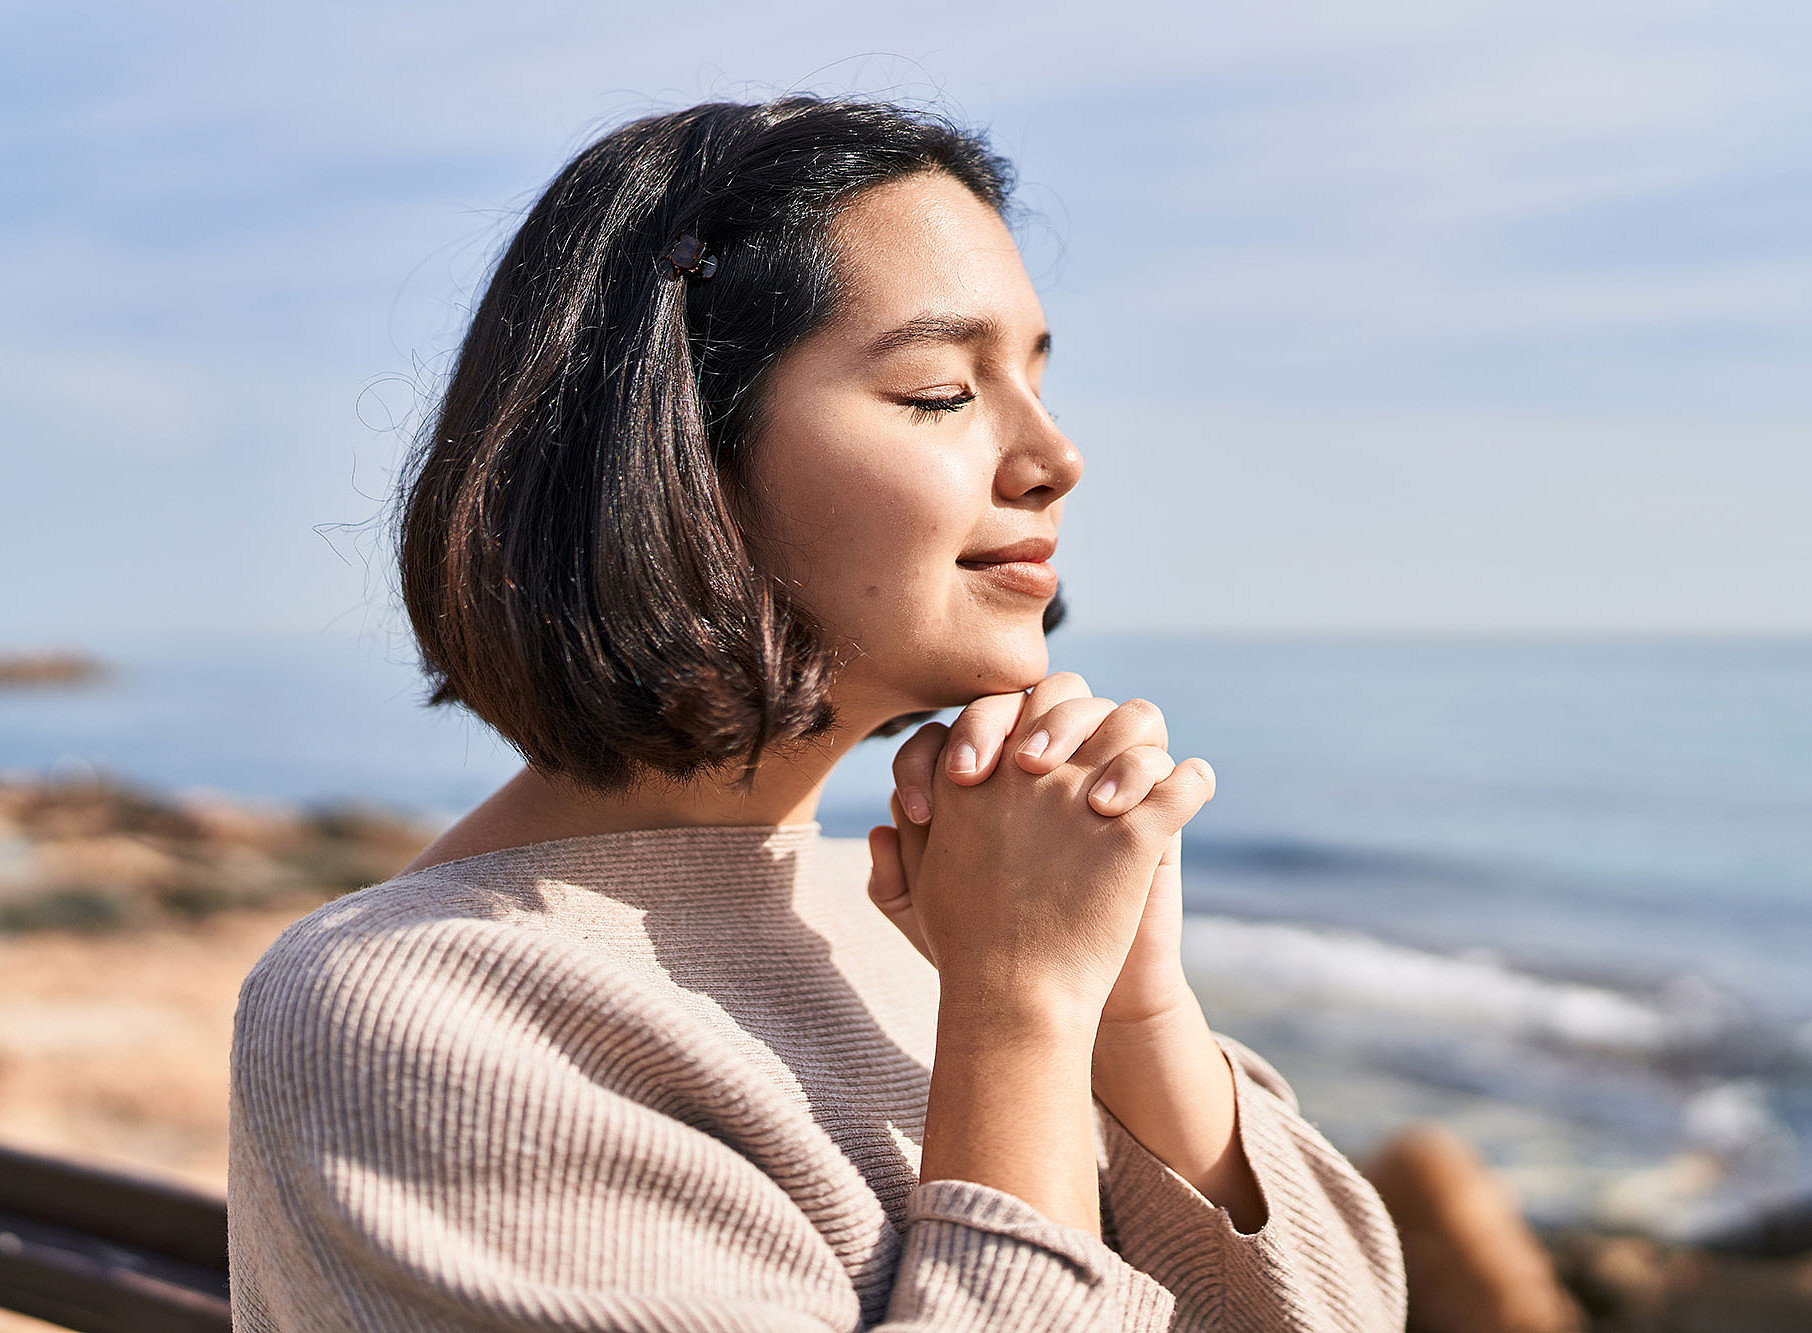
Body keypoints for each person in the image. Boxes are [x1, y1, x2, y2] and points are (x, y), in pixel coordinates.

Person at [227, 94, 1407, 1331]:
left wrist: (1130, 1008)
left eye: (1040, 379)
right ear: (683, 447)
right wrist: (1017, 1014)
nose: (1056, 453)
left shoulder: (917, 909)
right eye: (942, 392)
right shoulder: (419, 1009)